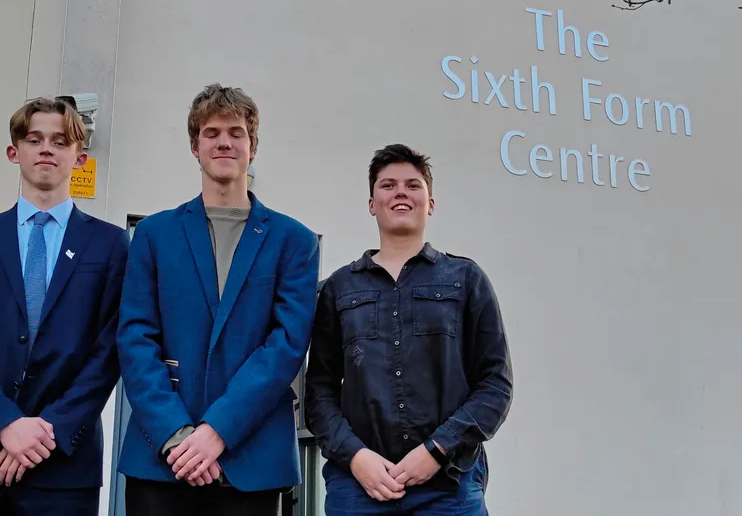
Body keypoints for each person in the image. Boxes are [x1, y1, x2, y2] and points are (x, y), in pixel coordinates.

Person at [116, 83, 320, 515]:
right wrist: (176, 433)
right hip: (162, 456)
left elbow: (285, 347)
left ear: (254, 146)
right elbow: (135, 338)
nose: (224, 141)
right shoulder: (154, 235)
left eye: (236, 132)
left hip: (251, 459)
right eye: (211, 132)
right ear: (195, 146)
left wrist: (217, 431)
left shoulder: (294, 241)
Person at [0, 97, 129, 515]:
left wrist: (47, 432)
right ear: (13, 152)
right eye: (34, 139)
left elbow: (109, 351)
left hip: (63, 472)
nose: (46, 149)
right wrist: (4, 423)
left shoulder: (110, 245)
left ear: (79, 157)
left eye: (60, 141)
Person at [304, 143, 513, 515]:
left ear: (430, 203)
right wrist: (356, 457)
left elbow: (495, 384)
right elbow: (319, 393)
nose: (401, 192)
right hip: (358, 487)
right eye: (388, 185)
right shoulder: (338, 289)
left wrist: (437, 449)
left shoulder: (466, 279)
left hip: (449, 485)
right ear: (372, 204)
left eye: (413, 185)